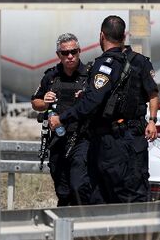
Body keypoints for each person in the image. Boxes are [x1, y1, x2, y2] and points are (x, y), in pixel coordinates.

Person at [49, 15, 159, 203]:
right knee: (134, 194)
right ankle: (139, 231)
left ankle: (108, 231)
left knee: (104, 196)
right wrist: (152, 120)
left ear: (101, 36)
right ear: (124, 36)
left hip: (111, 141)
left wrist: (62, 118)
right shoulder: (140, 61)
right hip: (134, 139)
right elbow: (153, 93)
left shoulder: (104, 65)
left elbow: (92, 101)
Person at [31, 33, 101, 206]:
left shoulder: (90, 76)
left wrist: (86, 97)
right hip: (57, 140)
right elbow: (35, 102)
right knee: (62, 189)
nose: (70, 56)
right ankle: (64, 224)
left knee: (78, 185)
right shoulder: (51, 76)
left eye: (74, 52)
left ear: (79, 51)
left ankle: (81, 220)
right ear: (58, 55)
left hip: (81, 138)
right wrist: (44, 102)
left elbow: (99, 103)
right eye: (65, 53)